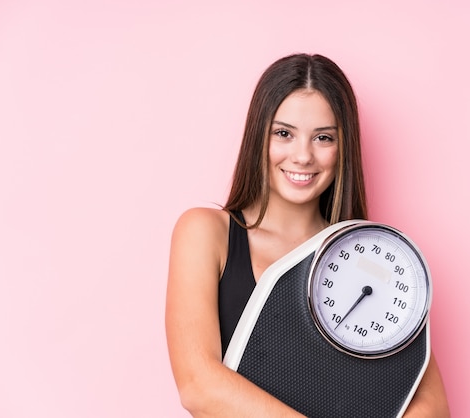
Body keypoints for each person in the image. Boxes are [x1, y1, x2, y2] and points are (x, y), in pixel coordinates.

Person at [165, 53, 450, 417]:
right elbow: (198, 385)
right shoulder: (206, 232)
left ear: (343, 147)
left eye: (323, 138)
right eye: (284, 133)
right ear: (258, 136)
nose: (303, 156)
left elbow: (433, 404)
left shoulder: (378, 258)